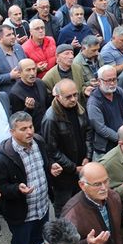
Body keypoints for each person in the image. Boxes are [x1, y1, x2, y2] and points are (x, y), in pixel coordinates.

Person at [0, 112, 63, 244]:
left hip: (42, 208)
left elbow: (46, 161)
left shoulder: (38, 141)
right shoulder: (2, 157)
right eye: (23, 129)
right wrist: (17, 189)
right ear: (12, 132)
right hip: (22, 215)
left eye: (30, 126)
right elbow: (1, 188)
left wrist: (51, 166)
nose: (29, 131)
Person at [61, 162, 123, 244]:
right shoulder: (71, 214)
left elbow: (114, 227)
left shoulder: (113, 196)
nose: (104, 188)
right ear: (82, 185)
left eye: (106, 181)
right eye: (97, 184)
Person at [41, 79, 92, 216]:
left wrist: (88, 156)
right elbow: (52, 150)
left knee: (83, 206)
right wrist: (73, 167)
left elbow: (88, 132)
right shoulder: (50, 118)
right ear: (57, 97)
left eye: (75, 95)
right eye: (68, 96)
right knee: (65, 210)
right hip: (64, 176)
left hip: (82, 165)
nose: (73, 99)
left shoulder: (79, 109)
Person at [87, 65, 123, 160]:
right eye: (108, 80)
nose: (112, 83)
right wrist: (121, 138)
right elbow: (101, 128)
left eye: (114, 79)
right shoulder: (94, 102)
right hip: (106, 148)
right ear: (99, 81)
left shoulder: (119, 91)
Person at [0, 24, 27, 93]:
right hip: (9, 94)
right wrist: (10, 76)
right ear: (0, 39)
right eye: (8, 35)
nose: (13, 37)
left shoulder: (18, 47)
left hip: (25, 89)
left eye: (13, 34)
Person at [10, 59, 49, 125]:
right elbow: (18, 121)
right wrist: (28, 109)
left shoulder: (40, 83)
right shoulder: (15, 93)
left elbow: (47, 104)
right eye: (28, 70)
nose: (32, 73)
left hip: (47, 125)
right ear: (19, 73)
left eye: (34, 69)